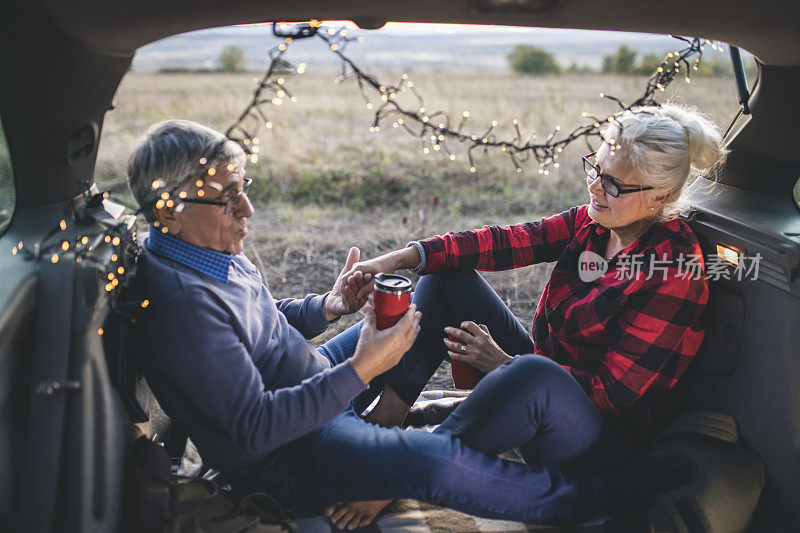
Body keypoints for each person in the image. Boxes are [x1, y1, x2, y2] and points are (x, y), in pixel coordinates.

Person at [125, 119, 680, 531]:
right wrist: (364, 365)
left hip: (315, 387)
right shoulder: (182, 307)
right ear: (168, 211)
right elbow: (251, 434)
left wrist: (329, 306)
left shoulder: (208, 251)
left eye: (243, 187)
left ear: (659, 197)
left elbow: (266, 324)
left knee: (441, 292)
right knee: (428, 459)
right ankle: (595, 498)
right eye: (227, 199)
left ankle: (383, 425)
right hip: (287, 450)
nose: (247, 209)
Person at [333, 103, 724, 525]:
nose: (594, 187)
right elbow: (510, 241)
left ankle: (401, 474)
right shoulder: (596, 224)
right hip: (541, 380)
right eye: (595, 169)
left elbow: (615, 398)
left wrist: (503, 364)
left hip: (604, 440)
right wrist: (397, 259)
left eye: (613, 184)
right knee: (447, 279)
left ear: (660, 196)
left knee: (532, 374)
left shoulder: (673, 271)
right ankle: (389, 416)